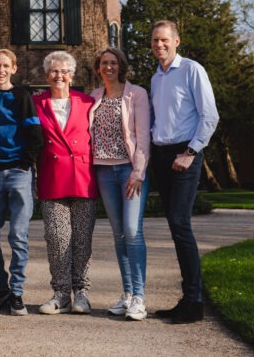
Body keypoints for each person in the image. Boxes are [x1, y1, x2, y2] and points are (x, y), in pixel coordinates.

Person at [148, 20, 219, 324]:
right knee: (176, 227)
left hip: (184, 154)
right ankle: (187, 298)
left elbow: (209, 115)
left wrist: (190, 152)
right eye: (154, 41)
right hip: (161, 156)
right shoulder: (156, 78)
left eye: (164, 40)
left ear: (177, 41)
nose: (159, 45)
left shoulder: (191, 69)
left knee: (180, 223)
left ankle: (194, 301)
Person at [0, 48, 42, 316]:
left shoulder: (22, 96)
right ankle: (1, 287)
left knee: (18, 235)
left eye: (6, 65)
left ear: (14, 68)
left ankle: (17, 293)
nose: (1, 70)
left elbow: (35, 133)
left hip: (18, 172)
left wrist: (25, 164)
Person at [32, 51, 97, 316]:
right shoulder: (36, 103)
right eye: (54, 71)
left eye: (64, 71)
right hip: (52, 176)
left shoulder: (88, 101)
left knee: (82, 239)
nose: (60, 76)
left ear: (72, 75)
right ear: (47, 75)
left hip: (83, 177)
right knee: (58, 238)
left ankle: (82, 292)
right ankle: (61, 293)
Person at [91, 47, 151, 321]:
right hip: (104, 170)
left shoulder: (136, 93)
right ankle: (127, 294)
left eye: (113, 62)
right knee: (118, 233)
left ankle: (139, 297)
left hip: (129, 170)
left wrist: (138, 172)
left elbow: (142, 137)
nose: (109, 67)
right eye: (104, 63)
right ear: (98, 67)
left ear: (121, 66)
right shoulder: (94, 97)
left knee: (132, 230)